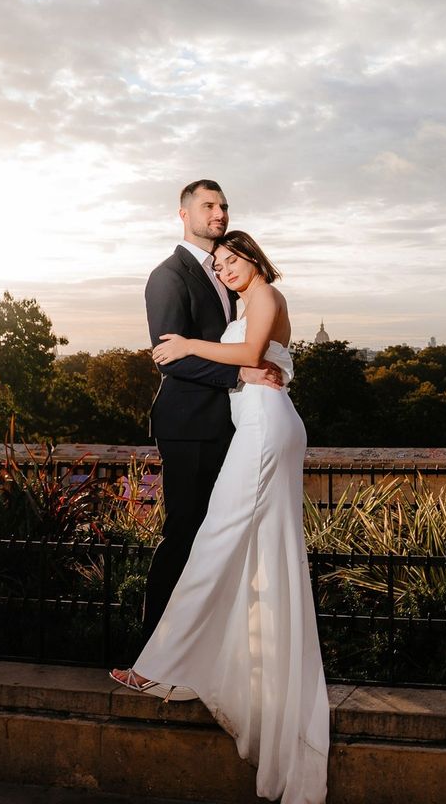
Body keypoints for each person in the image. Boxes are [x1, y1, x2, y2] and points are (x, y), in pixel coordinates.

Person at [111, 230, 329, 804]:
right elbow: (257, 361)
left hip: (263, 429)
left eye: (236, 260)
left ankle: (161, 666)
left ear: (255, 260)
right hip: (260, 425)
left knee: (215, 542)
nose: (228, 269)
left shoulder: (265, 297)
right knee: (249, 548)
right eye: (222, 263)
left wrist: (185, 344)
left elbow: (251, 357)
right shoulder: (250, 299)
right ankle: (211, 667)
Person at [135, 180, 283, 644]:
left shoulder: (225, 277)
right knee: (184, 533)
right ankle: (153, 647)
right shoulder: (169, 275)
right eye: (208, 206)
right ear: (184, 214)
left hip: (226, 424)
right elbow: (169, 355)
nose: (218, 213)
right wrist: (240, 376)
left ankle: (205, 644)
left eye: (223, 206)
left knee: (217, 536)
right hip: (188, 425)